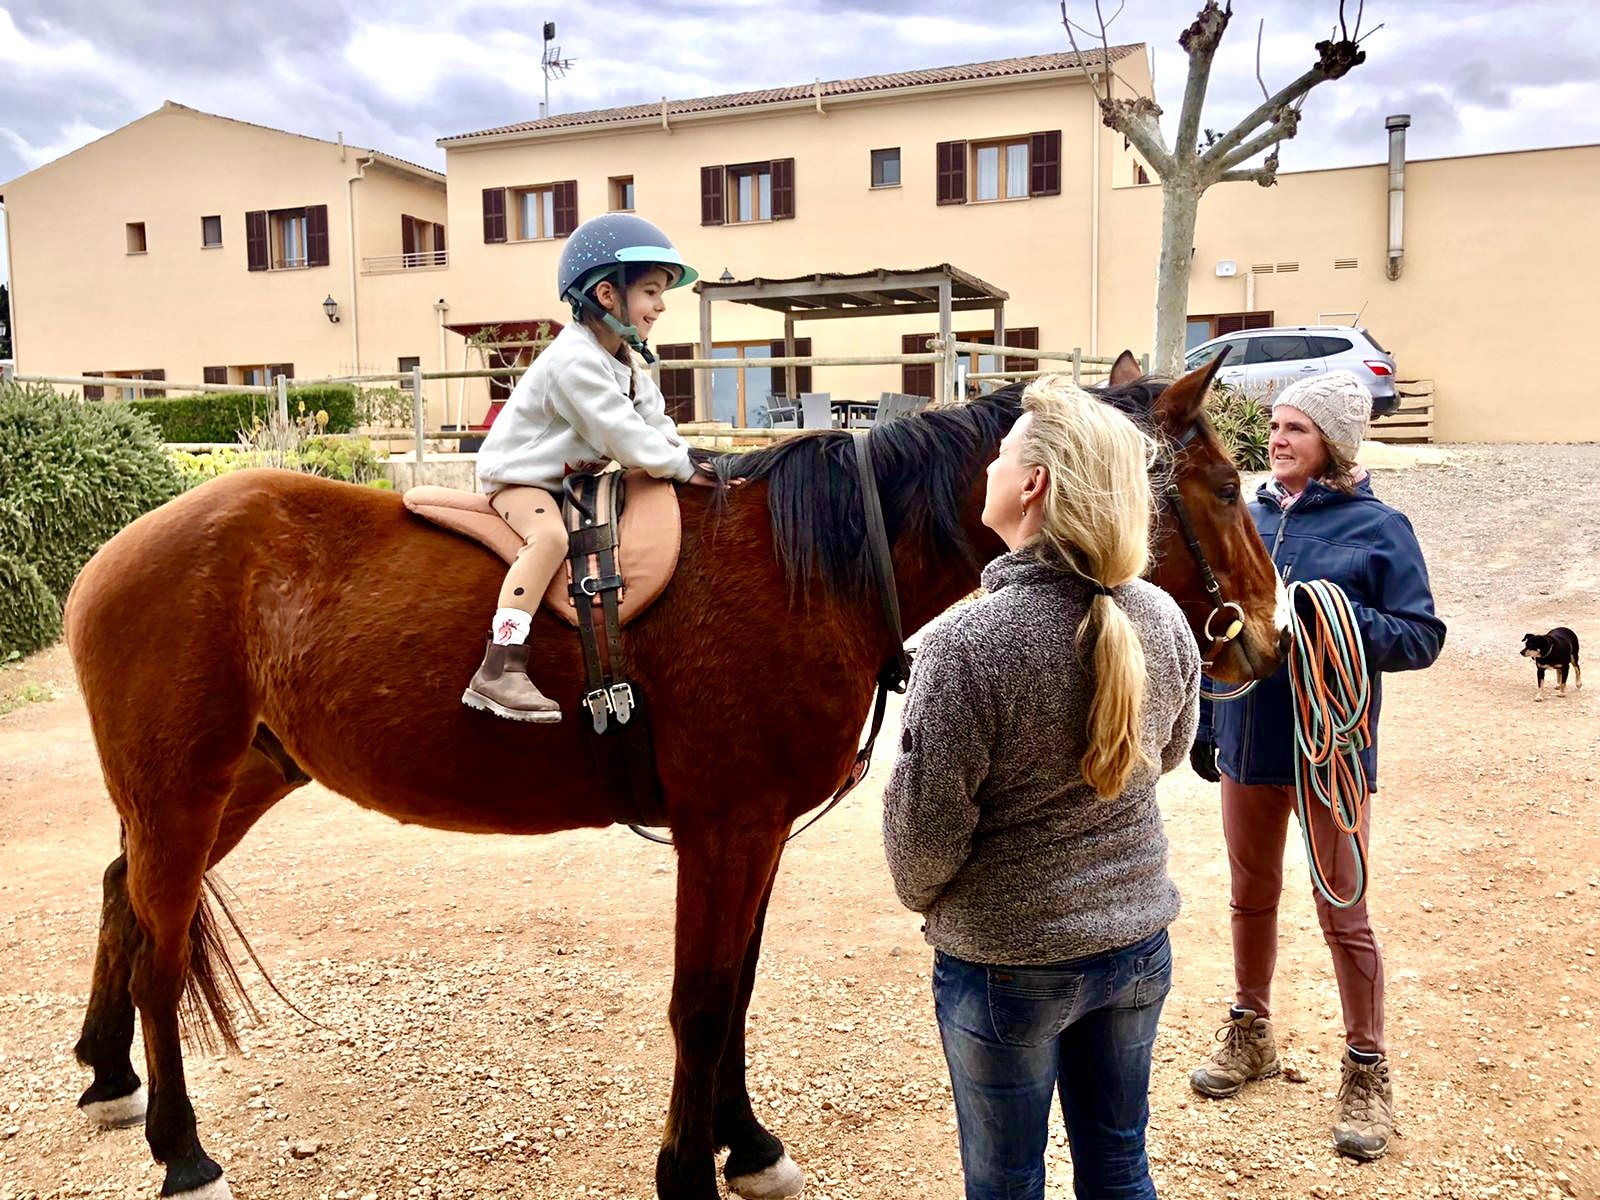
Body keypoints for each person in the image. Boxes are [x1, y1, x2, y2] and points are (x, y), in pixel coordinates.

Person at [882, 376, 1201, 1200]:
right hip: (1137, 946)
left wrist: (946, 908)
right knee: (1121, 1163)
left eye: (1002, 451)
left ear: (1033, 484)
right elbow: (1166, 754)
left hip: (1005, 966)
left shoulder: (965, 645)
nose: (988, 465)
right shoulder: (1162, 616)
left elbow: (921, 845)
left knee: (1006, 1182)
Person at [1187, 370, 1445, 1161]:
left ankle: (1366, 1065)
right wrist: (1207, 717)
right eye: (1275, 425)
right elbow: (1220, 617)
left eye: (1296, 428)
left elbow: (1420, 636)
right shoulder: (1251, 514)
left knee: (1345, 913)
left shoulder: (1381, 527)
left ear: (1332, 441)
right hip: (1253, 739)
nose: (1278, 438)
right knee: (1249, 895)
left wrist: (1331, 614)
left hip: (1330, 749)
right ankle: (1251, 1031)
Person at [462, 213, 717, 722]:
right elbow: (622, 436)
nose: (661, 305)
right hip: (519, 479)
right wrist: (680, 467)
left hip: (568, 480)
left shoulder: (626, 361)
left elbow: (655, 426)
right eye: (650, 291)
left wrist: (693, 461)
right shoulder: (573, 361)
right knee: (550, 540)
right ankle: (500, 664)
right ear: (606, 295)